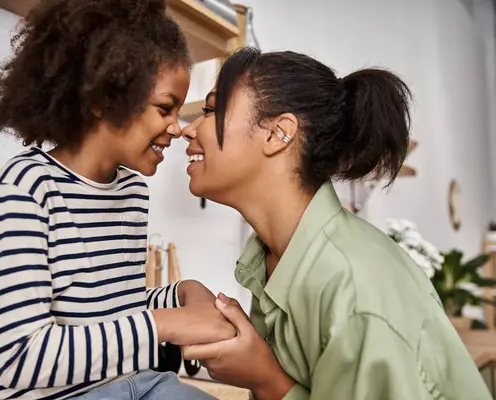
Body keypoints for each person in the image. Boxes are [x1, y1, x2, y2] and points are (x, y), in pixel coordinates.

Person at [180, 47, 491, 400]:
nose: (186, 129)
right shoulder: (274, 260)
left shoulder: (354, 291)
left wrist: (265, 379)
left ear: (279, 134)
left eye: (210, 110)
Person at [0, 1, 233, 399]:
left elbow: (104, 306)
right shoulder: (24, 191)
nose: (176, 129)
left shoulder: (131, 192)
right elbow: (20, 356)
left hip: (131, 384)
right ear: (104, 100)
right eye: (165, 108)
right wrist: (166, 324)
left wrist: (181, 292)